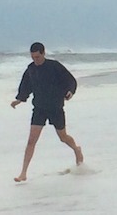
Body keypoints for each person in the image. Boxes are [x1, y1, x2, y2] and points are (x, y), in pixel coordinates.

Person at [10, 42, 82, 182]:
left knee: (63, 137)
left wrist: (70, 92)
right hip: (39, 108)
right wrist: (19, 99)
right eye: (33, 57)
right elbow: (26, 86)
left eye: (37, 57)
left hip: (55, 107)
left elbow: (70, 80)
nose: (35, 60)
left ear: (43, 53)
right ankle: (23, 173)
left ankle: (76, 149)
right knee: (31, 141)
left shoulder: (54, 66)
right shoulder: (31, 69)